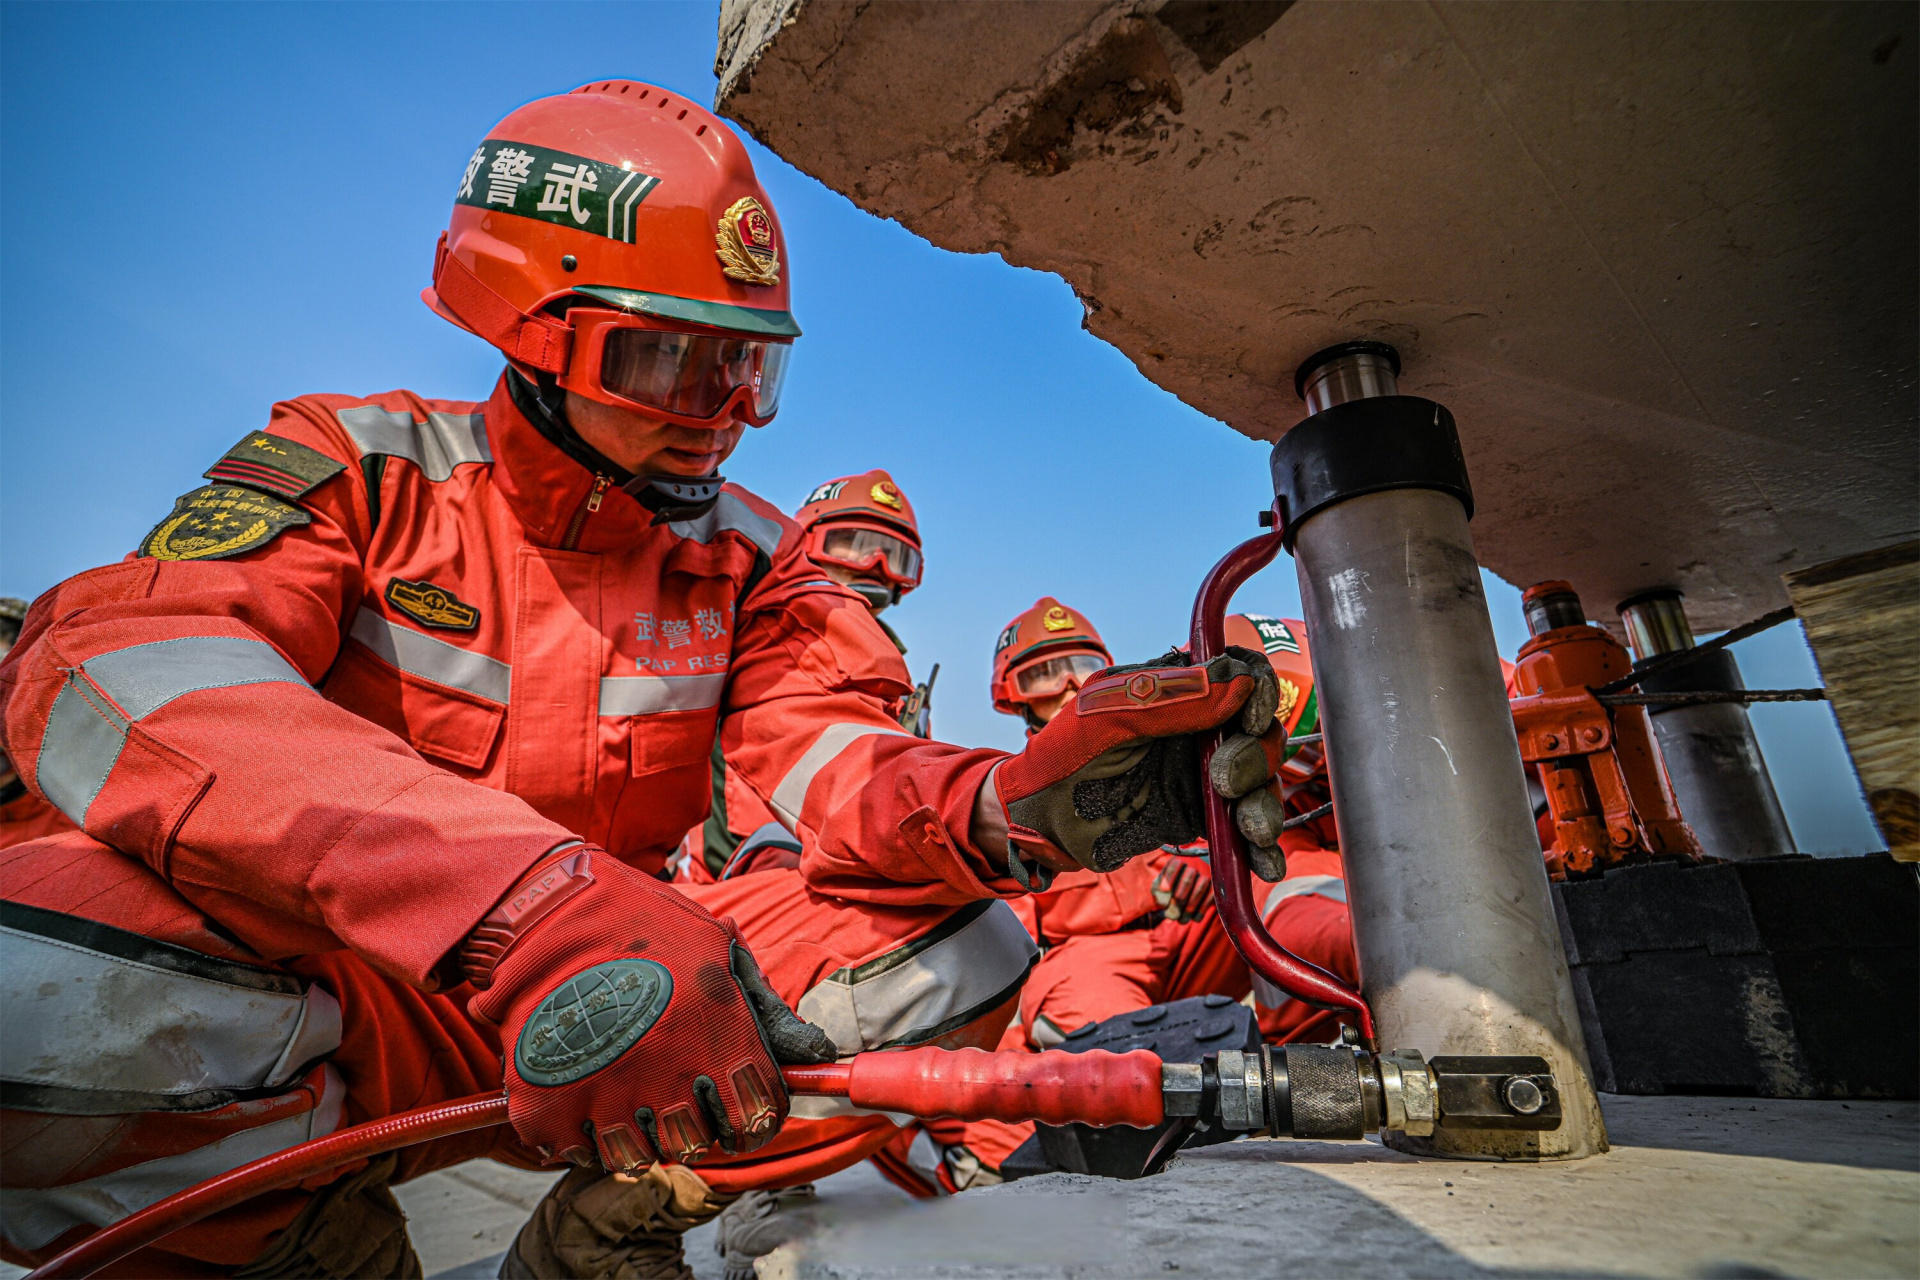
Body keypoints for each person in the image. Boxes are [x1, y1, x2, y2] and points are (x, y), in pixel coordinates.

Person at [0, 83, 1295, 1279]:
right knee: (46, 966)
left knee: (959, 950)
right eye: (667, 361)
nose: (718, 413)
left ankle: (610, 1236)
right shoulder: (360, 467)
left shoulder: (747, 557)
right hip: (349, 1011)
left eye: (749, 367)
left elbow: (832, 757)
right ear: (527, 329)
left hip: (634, 1019)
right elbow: (125, 665)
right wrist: (521, 902)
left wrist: (1008, 806)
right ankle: (313, 1248)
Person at [907, 600, 1261, 1192]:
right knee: (1116, 1048)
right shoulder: (1001, 791)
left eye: (1083, 662)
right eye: (1046, 670)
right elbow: (1007, 925)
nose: (1071, 679)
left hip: (1188, 936)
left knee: (1288, 927)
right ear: (1015, 696)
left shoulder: (1150, 756)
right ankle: (1152, 1183)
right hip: (1082, 960)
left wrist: (1207, 872)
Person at [689, 470, 930, 879]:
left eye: (893, 555)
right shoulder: (745, 636)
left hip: (853, 866)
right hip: (746, 868)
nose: (874, 566)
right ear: (808, 544)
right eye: (853, 546)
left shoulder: (898, 680)